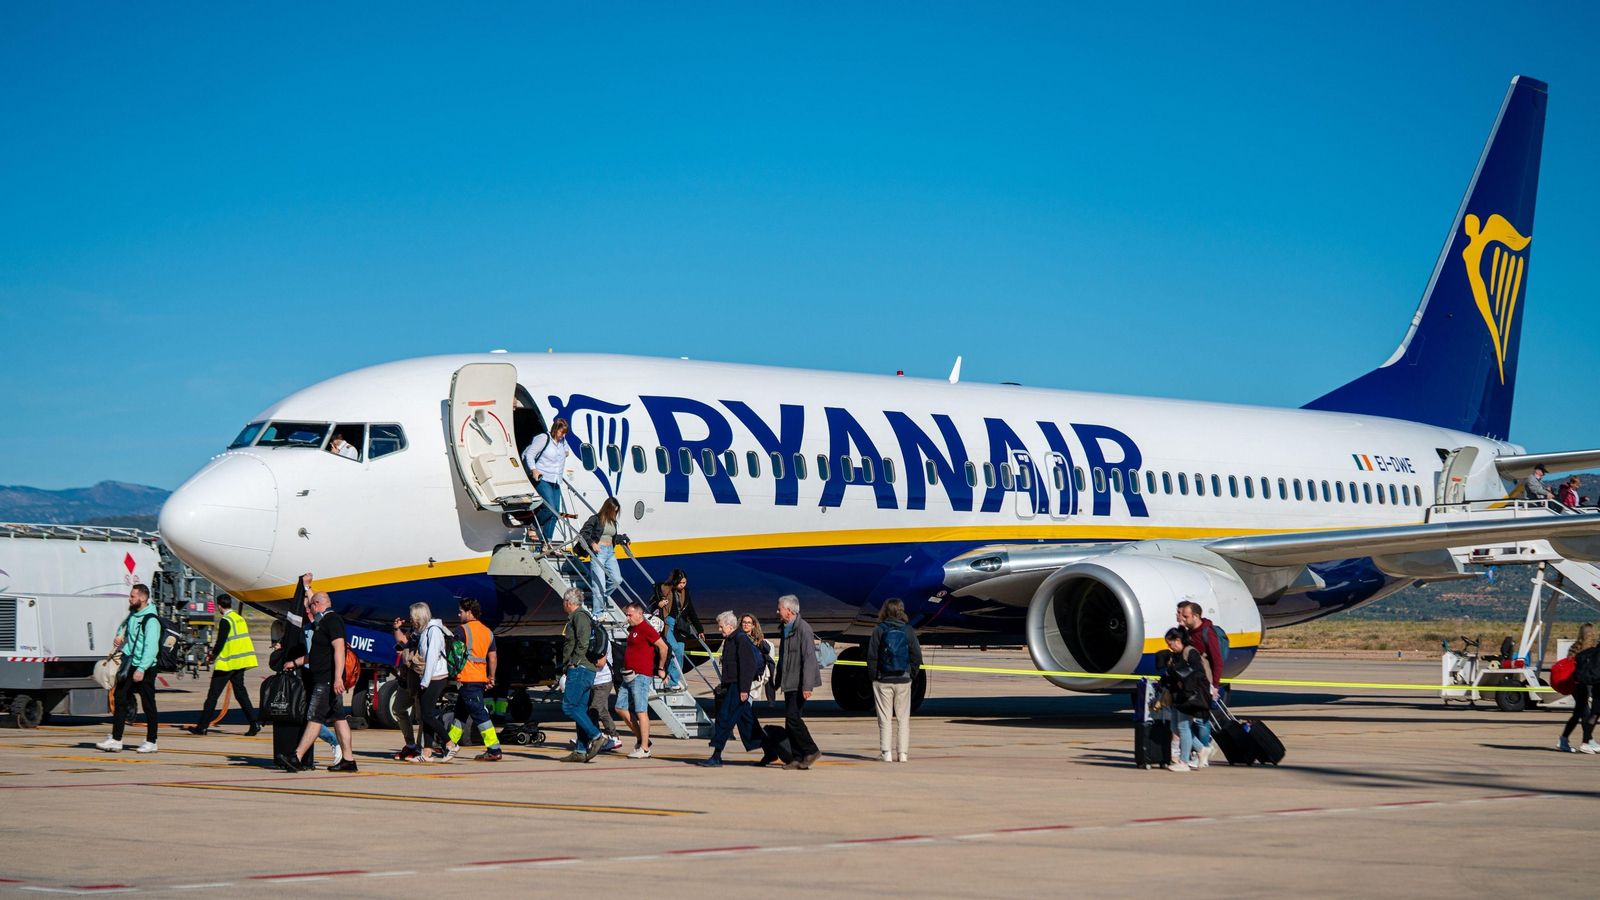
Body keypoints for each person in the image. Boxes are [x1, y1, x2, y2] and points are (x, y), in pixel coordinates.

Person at [285, 590, 357, 772]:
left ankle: (296, 757)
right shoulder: (323, 622)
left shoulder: (332, 621)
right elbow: (316, 655)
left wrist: (338, 678)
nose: (309, 610)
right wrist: (294, 662)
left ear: (317, 605)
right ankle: (348, 760)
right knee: (339, 718)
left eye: (310, 606)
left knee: (315, 717)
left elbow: (339, 650)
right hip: (326, 679)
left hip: (327, 681)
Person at [97, 584, 162, 754]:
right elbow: (124, 627)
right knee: (120, 698)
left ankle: (151, 741)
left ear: (143, 598)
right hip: (130, 663)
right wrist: (120, 636)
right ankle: (116, 739)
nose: (130, 599)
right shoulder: (133, 615)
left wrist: (142, 669)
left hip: (145, 667)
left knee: (148, 704)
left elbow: (151, 648)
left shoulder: (151, 620)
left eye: (133, 596)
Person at [699, 611, 766, 767]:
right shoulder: (731, 639)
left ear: (730, 626)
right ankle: (771, 749)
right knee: (747, 723)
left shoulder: (740, 639)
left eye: (721, 626)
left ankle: (716, 756)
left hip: (738, 687)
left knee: (724, 718)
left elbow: (748, 666)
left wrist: (744, 690)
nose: (719, 629)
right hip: (732, 685)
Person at [188, 595, 260, 736]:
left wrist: (212, 656)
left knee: (212, 696)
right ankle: (254, 723)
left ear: (219, 606)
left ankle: (202, 727)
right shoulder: (239, 618)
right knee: (241, 695)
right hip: (240, 662)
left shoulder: (226, 620)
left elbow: (220, 643)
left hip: (227, 664)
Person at [444, 598, 502, 762]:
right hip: (480, 678)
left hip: (467, 678)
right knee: (460, 713)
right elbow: (492, 657)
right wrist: (491, 677)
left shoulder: (462, 630)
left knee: (479, 714)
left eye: (461, 612)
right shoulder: (487, 632)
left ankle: (494, 748)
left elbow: (454, 655)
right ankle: (450, 743)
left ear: (469, 612)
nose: (459, 614)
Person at [866, 598, 923, 763]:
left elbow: (872, 656)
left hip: (883, 679)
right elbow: (916, 656)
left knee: (885, 719)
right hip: (903, 680)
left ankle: (886, 753)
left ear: (885, 611)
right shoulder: (908, 630)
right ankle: (903, 754)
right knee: (903, 719)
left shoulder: (879, 630)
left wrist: (874, 677)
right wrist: (911, 674)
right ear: (901, 610)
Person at [558, 589, 610, 763]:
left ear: (568, 602)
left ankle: (596, 736)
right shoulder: (581, 616)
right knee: (580, 709)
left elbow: (583, 641)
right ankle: (580, 750)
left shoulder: (579, 616)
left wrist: (575, 662)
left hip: (580, 669)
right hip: (585, 669)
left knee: (569, 706)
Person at [616, 600, 669, 759]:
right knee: (620, 707)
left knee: (641, 711)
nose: (627, 618)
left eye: (629, 615)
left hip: (640, 676)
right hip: (628, 675)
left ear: (640, 614)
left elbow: (663, 647)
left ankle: (644, 749)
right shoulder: (633, 629)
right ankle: (641, 739)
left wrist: (661, 668)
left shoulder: (646, 628)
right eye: (626, 615)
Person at [775, 594, 822, 770]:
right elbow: (783, 658)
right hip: (789, 682)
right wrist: (777, 680)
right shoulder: (785, 628)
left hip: (800, 683)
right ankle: (797, 757)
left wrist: (807, 686)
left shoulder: (803, 629)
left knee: (793, 718)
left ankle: (811, 750)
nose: (777, 611)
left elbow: (809, 659)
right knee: (789, 721)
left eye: (779, 608)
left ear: (789, 610)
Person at [1159, 627, 1214, 772]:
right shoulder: (1176, 655)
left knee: (1183, 727)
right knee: (1175, 727)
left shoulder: (1191, 652)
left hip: (1188, 696)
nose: (1170, 647)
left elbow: (1198, 673)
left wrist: (1182, 680)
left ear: (1178, 640)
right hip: (1179, 696)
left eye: (1170, 644)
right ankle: (1201, 749)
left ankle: (1184, 761)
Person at [414, 603, 459, 763]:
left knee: (427, 715)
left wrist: (425, 682)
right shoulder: (425, 630)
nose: (411, 620)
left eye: (413, 618)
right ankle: (427, 752)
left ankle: (450, 744)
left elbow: (432, 657)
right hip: (430, 678)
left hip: (435, 678)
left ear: (420, 617)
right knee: (426, 715)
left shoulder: (433, 631)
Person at [521, 417, 571, 544]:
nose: (563, 435)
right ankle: (533, 526)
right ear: (555, 429)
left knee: (556, 513)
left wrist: (564, 452)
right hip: (542, 478)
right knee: (550, 508)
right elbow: (530, 454)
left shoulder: (562, 441)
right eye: (561, 432)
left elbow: (566, 451)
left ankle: (547, 543)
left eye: (565, 433)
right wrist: (534, 469)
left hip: (556, 479)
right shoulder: (543, 438)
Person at [578, 497, 629, 616]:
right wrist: (592, 543)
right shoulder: (596, 519)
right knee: (599, 584)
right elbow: (583, 533)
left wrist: (624, 539)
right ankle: (597, 613)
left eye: (617, 511)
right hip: (599, 552)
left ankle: (601, 599)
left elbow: (612, 537)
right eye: (614, 511)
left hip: (610, 552)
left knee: (617, 579)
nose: (615, 513)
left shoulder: (613, 522)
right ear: (608, 509)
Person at [656, 569, 705, 691]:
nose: (683, 585)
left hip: (680, 627)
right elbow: (654, 601)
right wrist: (659, 603)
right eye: (680, 582)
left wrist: (700, 629)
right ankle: (670, 681)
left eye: (685, 582)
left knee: (680, 653)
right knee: (673, 648)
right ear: (675, 581)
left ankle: (673, 680)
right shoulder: (664, 590)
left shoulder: (685, 593)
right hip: (668, 624)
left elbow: (691, 612)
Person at [390, 607, 428, 760]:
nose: (410, 619)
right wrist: (397, 629)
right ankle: (410, 744)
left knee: (421, 717)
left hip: (419, 679)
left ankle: (420, 749)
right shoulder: (414, 631)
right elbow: (402, 641)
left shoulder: (428, 633)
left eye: (412, 616)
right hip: (406, 679)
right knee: (398, 708)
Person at [1560, 623, 1599, 753]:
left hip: (1576, 683)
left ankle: (1566, 739)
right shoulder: (1591, 649)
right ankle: (1586, 741)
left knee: (1578, 713)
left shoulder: (1575, 647)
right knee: (1585, 713)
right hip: (1582, 684)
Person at [1176, 601, 1225, 700]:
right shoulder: (1189, 632)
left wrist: (1215, 685)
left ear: (1195, 616)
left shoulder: (1208, 633)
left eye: (1185, 617)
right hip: (1192, 679)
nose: (1183, 619)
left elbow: (1217, 661)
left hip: (1204, 680)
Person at [589, 647, 624, 753]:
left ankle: (594, 737)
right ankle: (611, 736)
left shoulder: (601, 640)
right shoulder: (593, 640)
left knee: (595, 710)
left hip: (602, 682)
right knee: (602, 711)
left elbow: (601, 663)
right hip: (594, 681)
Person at [741, 614, 776, 701]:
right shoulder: (737, 639)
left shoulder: (759, 642)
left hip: (753, 678)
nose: (746, 624)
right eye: (744, 622)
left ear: (753, 625)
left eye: (748, 623)